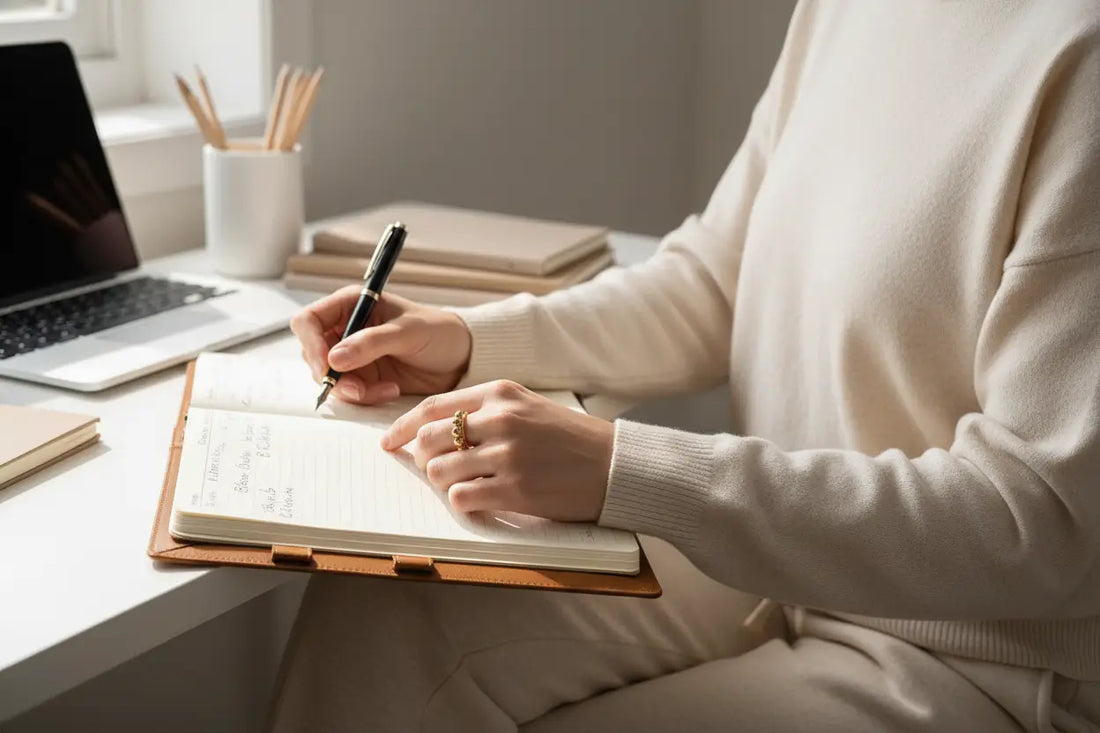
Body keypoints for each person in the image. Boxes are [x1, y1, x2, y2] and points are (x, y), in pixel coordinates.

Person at [272, 2, 1100, 730]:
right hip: (779, 570)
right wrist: (465, 341)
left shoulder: (1078, 59)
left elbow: (1041, 521)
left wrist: (620, 468)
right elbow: (713, 280)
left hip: (983, 664)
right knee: (383, 611)